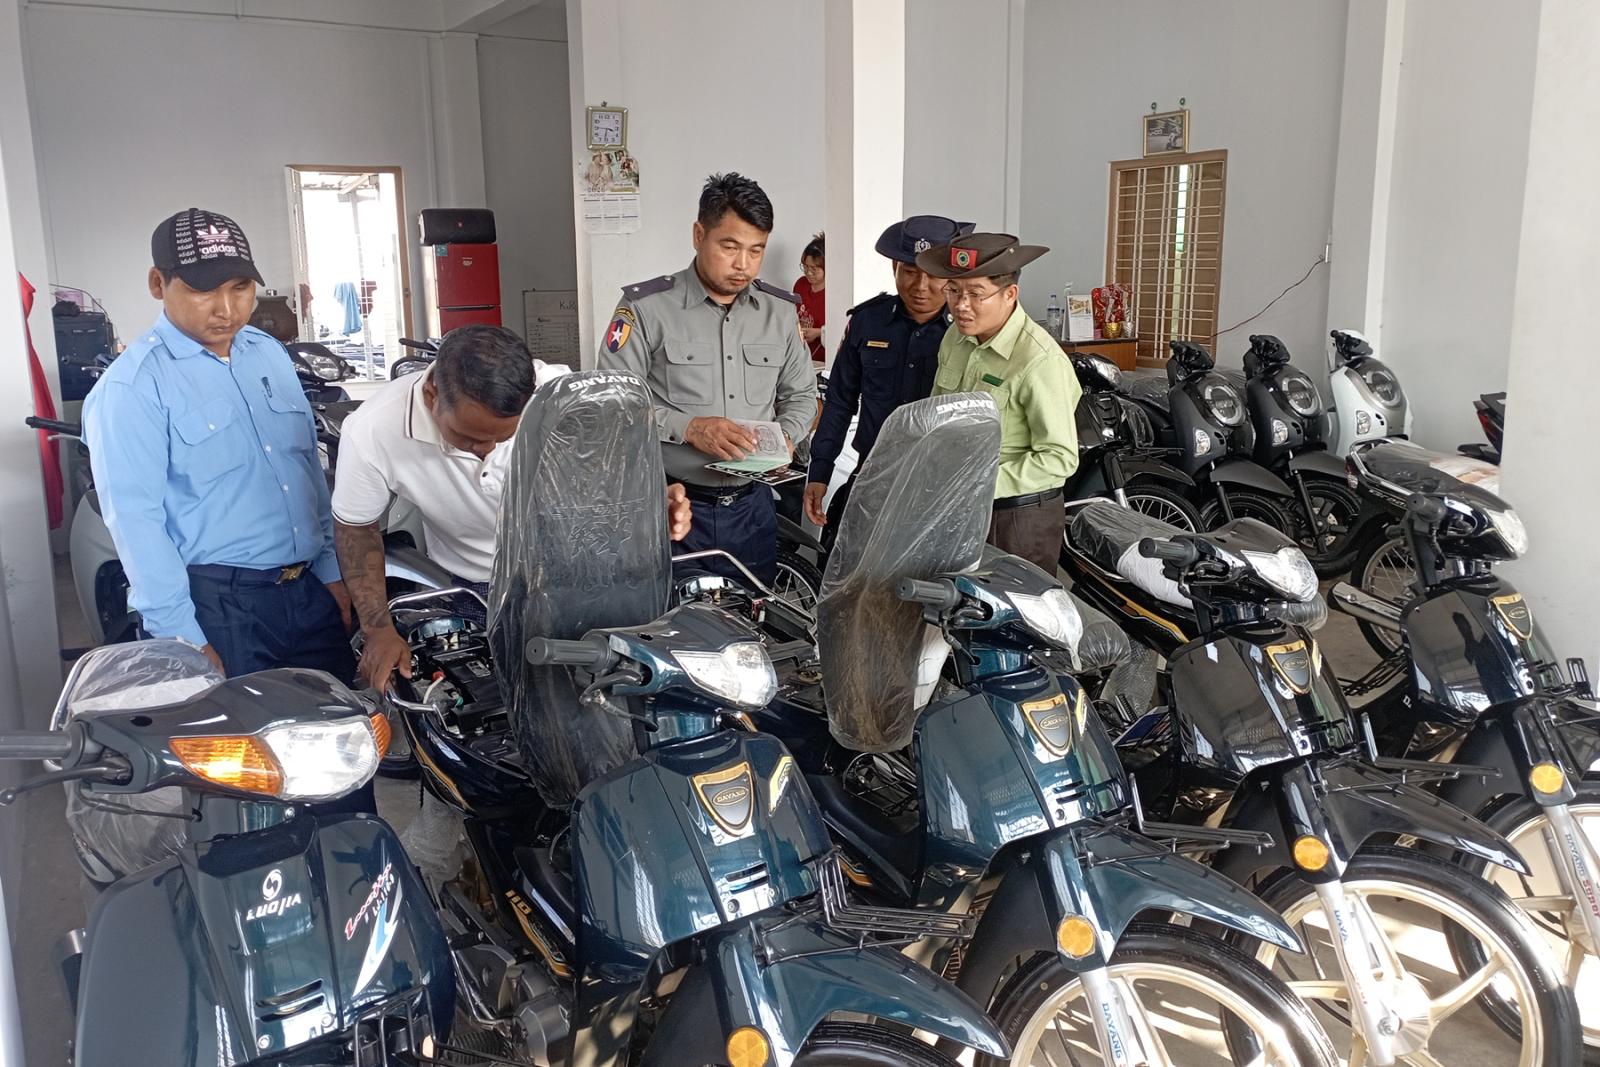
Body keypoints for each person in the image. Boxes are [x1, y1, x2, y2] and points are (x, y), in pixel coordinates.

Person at [331, 325, 692, 690]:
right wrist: (377, 629)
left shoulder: (566, 398)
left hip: (583, 578)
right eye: (468, 438)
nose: (486, 449)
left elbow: (614, 470)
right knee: (493, 698)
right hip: (478, 589)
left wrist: (648, 505)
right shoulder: (372, 430)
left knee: (605, 696)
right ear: (431, 395)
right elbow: (356, 529)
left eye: (502, 438)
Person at [84, 208, 354, 683]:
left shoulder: (268, 353)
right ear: (157, 283)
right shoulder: (132, 387)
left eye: (240, 288)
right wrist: (183, 638)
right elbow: (136, 524)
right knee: (242, 731)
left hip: (308, 591)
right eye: (203, 290)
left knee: (339, 721)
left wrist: (331, 572)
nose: (227, 309)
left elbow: (307, 474)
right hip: (219, 609)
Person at [599, 172, 816, 585]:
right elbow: (614, 404)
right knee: (669, 618)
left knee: (753, 615)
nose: (743, 265)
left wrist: (785, 437)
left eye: (756, 250)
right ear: (699, 235)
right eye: (730, 247)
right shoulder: (646, 308)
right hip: (672, 506)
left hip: (752, 509)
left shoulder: (779, 312)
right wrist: (689, 428)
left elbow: (802, 394)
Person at [803, 215, 974, 545]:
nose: (920, 286)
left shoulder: (967, 332)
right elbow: (839, 402)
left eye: (933, 275)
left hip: (939, 487)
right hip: (873, 474)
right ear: (894, 267)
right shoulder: (868, 321)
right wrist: (820, 470)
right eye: (909, 271)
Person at [918, 232, 1081, 574]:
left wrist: (979, 483)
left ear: (1010, 294)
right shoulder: (955, 337)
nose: (961, 305)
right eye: (954, 291)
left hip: (1016, 518)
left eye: (976, 294)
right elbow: (937, 413)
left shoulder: (1040, 360)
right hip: (955, 503)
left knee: (1010, 605)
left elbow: (1059, 458)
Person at [794, 232, 826, 364]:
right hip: (800, 356)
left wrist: (818, 333)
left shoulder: (835, 294)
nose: (808, 273)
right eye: (805, 267)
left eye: (814, 269)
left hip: (823, 360)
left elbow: (842, 329)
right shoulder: (801, 284)